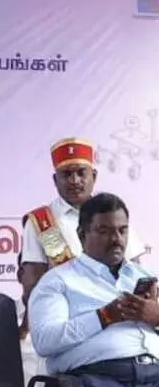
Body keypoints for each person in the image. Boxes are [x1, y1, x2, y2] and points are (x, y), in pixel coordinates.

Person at [29, 193, 159, 387]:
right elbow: (45, 341)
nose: (116, 239)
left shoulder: (145, 275)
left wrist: (155, 316)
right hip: (98, 379)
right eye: (104, 231)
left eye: (122, 230)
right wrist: (104, 316)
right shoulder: (59, 281)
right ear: (82, 235)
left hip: (154, 376)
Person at [19, 138, 146, 323]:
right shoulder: (42, 221)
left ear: (93, 176)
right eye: (67, 174)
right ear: (55, 180)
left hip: (118, 316)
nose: (75, 180)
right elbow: (33, 285)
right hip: (67, 319)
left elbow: (136, 273)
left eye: (81, 173)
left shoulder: (113, 213)